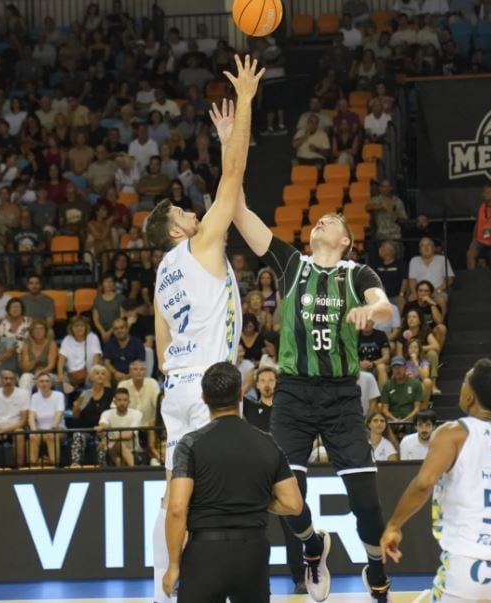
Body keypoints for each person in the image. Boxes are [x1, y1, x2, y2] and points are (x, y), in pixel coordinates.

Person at [233, 164, 394, 599]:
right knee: (286, 493)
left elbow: (385, 306)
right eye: (318, 219)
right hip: (294, 393)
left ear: (345, 241)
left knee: (366, 503)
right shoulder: (291, 264)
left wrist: (370, 312)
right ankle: (311, 546)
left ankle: (375, 568)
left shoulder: (356, 275)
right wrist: (233, 148)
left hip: (342, 396)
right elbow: (240, 211)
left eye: (334, 220)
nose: (322, 219)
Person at [145, 55, 261, 603]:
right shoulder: (198, 245)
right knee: (230, 487)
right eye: (182, 211)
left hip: (175, 388)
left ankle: (168, 580)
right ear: (174, 227)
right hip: (210, 386)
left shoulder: (161, 276)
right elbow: (232, 182)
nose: (193, 212)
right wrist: (239, 119)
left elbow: (162, 345)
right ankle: (238, 573)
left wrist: (177, 368)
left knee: (178, 492)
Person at [380, 359, 491, 603]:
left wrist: (394, 525)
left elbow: (424, 483)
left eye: (465, 382)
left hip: (470, 566)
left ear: (471, 396)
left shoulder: (453, 433)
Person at [163, 362, 303, 602]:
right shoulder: (267, 442)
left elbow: (176, 508)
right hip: (252, 552)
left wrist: (174, 565)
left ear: (204, 397)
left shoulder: (190, 444)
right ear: (240, 395)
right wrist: (260, 499)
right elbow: (293, 504)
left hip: (205, 552)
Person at [243, 366, 307, 593]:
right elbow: (234, 397)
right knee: (254, 530)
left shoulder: (285, 409)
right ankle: (256, 581)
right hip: (256, 474)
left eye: (271, 379)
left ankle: (300, 577)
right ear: (258, 385)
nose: (268, 383)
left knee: (292, 526)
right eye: (263, 380)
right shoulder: (249, 408)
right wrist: (248, 379)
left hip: (281, 474)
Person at [0, 369, 30, 468]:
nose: (8, 381)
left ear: (15, 380)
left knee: (19, 433)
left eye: (11, 379)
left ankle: (19, 467)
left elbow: (23, 420)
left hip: (14, 428)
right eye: (6, 378)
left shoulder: (23, 394)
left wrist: (5, 430)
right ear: (1, 380)